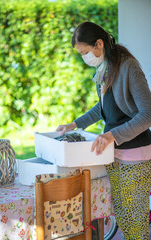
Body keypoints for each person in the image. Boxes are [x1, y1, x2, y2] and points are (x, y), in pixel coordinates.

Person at [56, 21, 151, 240]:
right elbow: (103, 106)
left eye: (86, 52)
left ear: (99, 43)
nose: (84, 58)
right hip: (113, 154)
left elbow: (147, 115)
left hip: (134, 156)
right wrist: (75, 124)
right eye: (81, 54)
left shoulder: (129, 67)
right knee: (123, 218)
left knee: (134, 222)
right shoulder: (106, 67)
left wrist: (111, 135)